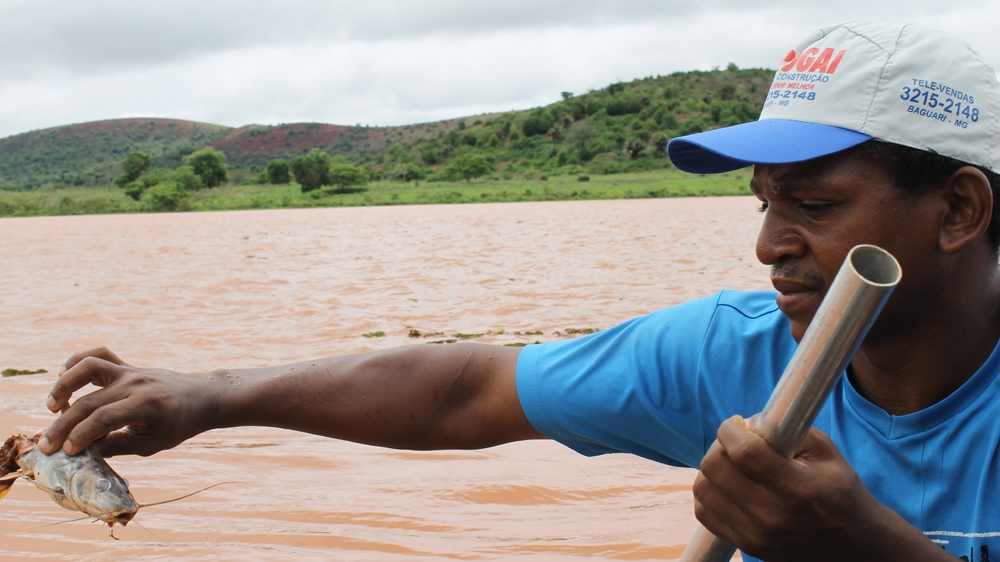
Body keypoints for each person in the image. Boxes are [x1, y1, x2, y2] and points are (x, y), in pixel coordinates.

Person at [38, 21, 1000, 561]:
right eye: (763, 204)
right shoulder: (738, 352)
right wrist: (214, 396)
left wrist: (869, 555)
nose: (767, 247)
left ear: (957, 209)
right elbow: (469, 389)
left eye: (815, 205)